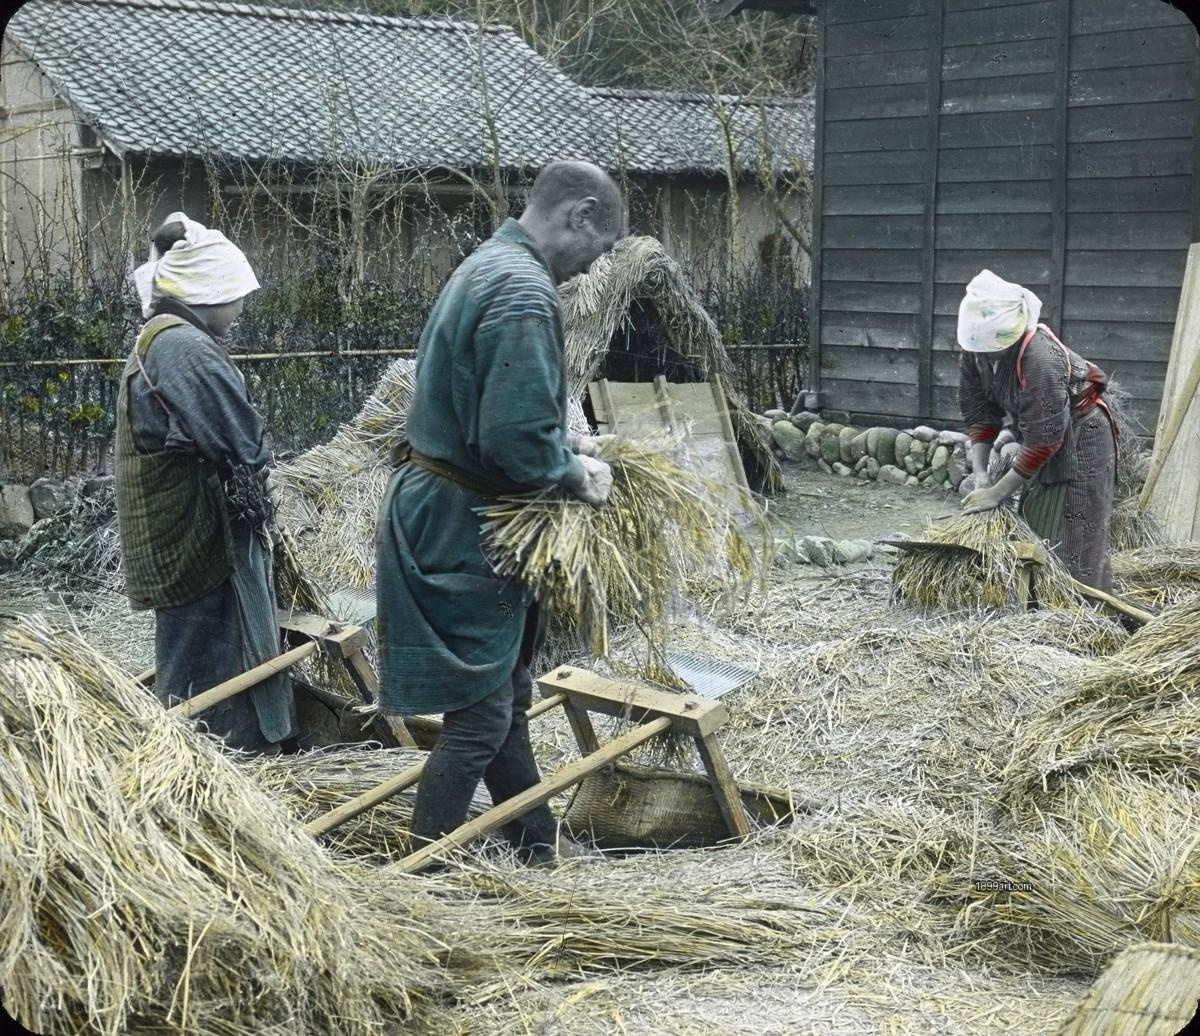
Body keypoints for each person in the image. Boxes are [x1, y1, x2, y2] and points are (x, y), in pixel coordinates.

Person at [376, 161, 624, 865]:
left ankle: (536, 848)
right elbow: (514, 443)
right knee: (481, 716)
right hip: (465, 520)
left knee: (503, 696)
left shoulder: (487, 265)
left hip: (444, 501)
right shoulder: (520, 291)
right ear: (579, 215)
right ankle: (420, 872)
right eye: (599, 247)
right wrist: (574, 471)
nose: (589, 268)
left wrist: (560, 437)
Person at [115, 212, 296, 753]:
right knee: (209, 650)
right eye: (237, 297)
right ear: (209, 292)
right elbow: (245, 444)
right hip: (193, 531)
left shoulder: (162, 335)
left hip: (175, 527)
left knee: (197, 645)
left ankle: (205, 749)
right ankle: (215, 759)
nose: (240, 310)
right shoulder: (184, 348)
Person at [957, 269, 1118, 590]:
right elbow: (980, 416)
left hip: (1082, 435)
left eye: (993, 347)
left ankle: (1088, 613)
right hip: (1041, 432)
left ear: (1012, 334)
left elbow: (1044, 442)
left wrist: (995, 494)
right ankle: (1040, 601)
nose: (984, 354)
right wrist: (981, 475)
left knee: (1077, 525)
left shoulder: (1040, 357)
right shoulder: (975, 354)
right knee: (1041, 517)